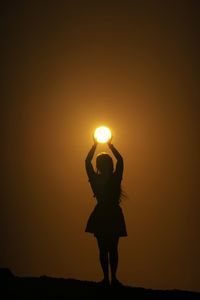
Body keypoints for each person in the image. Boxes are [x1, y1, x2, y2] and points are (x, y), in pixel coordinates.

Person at [85, 136, 127, 287]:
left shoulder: (96, 180)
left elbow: (86, 163)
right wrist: (110, 146)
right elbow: (121, 161)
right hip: (112, 214)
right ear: (110, 165)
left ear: (99, 166)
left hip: (102, 214)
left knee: (104, 249)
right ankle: (112, 279)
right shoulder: (115, 179)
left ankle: (107, 279)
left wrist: (94, 146)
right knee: (112, 249)